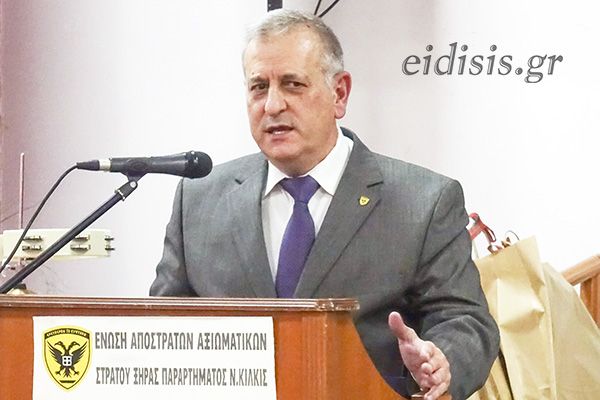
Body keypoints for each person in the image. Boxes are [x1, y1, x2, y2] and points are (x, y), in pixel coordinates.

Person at [150, 9, 499, 400]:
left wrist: (441, 360)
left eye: (293, 84)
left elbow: (465, 320)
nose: (272, 105)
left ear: (339, 93)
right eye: (259, 87)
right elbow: (162, 327)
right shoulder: (198, 199)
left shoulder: (422, 201)